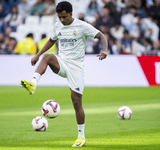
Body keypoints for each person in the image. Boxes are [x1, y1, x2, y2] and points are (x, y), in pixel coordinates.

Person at [20, 1, 108, 147]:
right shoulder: (58, 25)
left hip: (76, 68)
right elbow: (51, 40)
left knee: (76, 101)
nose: (62, 20)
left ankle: (81, 137)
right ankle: (33, 84)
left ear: (71, 14)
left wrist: (104, 50)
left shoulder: (82, 26)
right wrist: (38, 54)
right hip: (62, 62)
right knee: (47, 57)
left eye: (64, 17)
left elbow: (101, 36)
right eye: (59, 17)